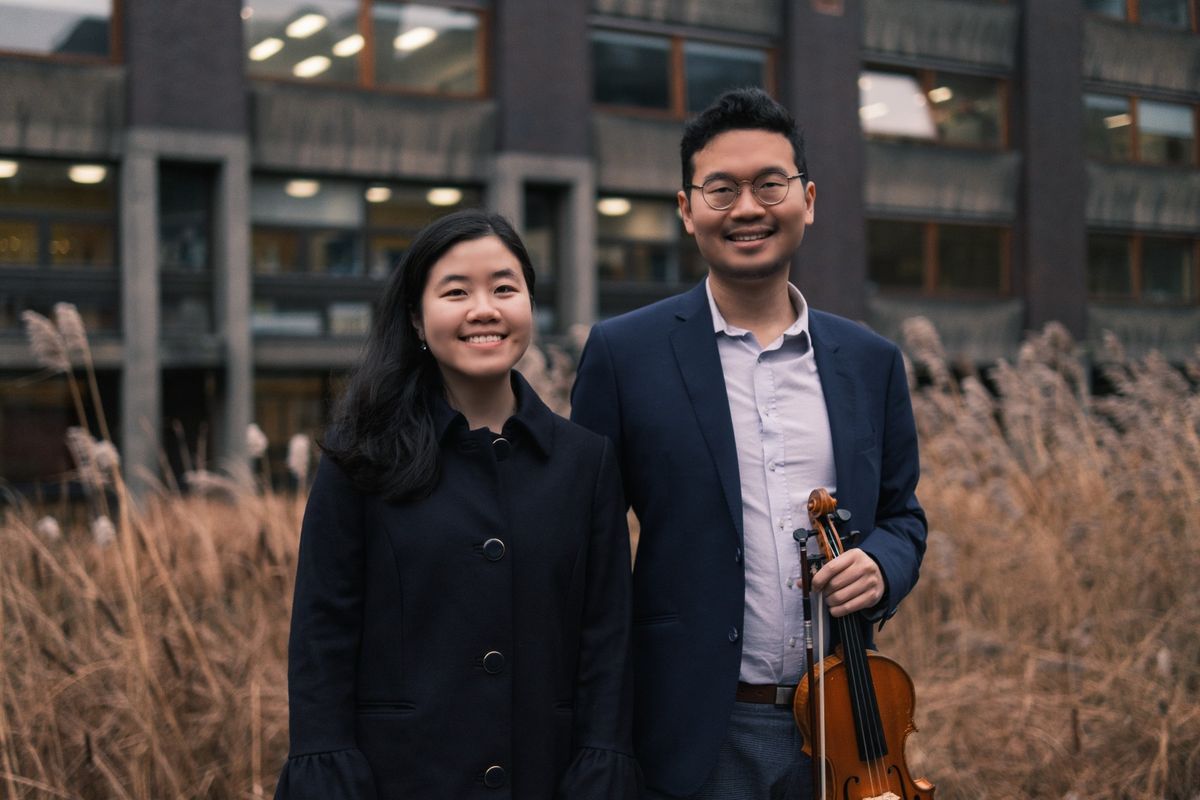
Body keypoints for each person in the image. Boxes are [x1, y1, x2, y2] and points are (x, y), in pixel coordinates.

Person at [570, 88, 927, 799]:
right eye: (721, 189)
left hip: (844, 718)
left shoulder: (870, 360)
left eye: (770, 184)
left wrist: (884, 566)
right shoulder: (622, 353)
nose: (747, 208)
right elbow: (588, 546)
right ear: (686, 209)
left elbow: (903, 516)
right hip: (691, 728)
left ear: (809, 199)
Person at [275, 209, 641, 800]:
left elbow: (606, 638)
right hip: (399, 775)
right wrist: (328, 763)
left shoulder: (586, 462)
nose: (484, 309)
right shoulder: (360, 456)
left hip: (546, 775)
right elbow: (323, 629)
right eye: (455, 292)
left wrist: (602, 764)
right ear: (418, 320)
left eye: (504, 287)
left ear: (529, 305)